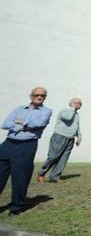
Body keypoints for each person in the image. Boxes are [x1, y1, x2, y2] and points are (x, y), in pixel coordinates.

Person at [0, 87, 52, 215]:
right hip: (7, 144)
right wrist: (24, 125)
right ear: (31, 96)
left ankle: (16, 208)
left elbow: (39, 123)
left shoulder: (46, 111)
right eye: (37, 95)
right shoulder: (19, 109)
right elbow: (5, 124)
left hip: (26, 146)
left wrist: (18, 123)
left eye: (43, 96)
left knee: (20, 178)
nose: (40, 97)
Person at [37, 97, 83, 183]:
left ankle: (55, 176)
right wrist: (72, 108)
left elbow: (77, 126)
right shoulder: (64, 111)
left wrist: (79, 137)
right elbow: (68, 118)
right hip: (59, 137)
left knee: (63, 159)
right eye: (76, 102)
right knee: (53, 157)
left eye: (80, 103)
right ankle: (41, 174)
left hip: (70, 139)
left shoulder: (77, 115)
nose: (78, 104)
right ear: (71, 103)